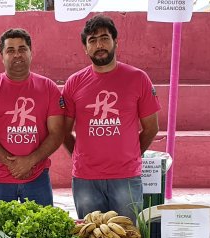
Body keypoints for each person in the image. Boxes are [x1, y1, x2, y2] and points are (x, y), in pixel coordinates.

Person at [61, 15, 160, 222]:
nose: (99, 45)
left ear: (116, 42)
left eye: (105, 38)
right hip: (86, 179)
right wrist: (79, 155)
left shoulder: (138, 78)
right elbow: (63, 130)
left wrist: (132, 155)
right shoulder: (74, 83)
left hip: (126, 178)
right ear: (85, 48)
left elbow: (151, 127)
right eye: (92, 40)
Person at [0, 29, 64, 207]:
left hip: (37, 178)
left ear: (31, 52)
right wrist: (12, 164)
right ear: (2, 56)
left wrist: (30, 161)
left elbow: (57, 133)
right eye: (10, 50)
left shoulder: (49, 88)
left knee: (41, 233)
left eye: (22, 49)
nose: (17, 55)